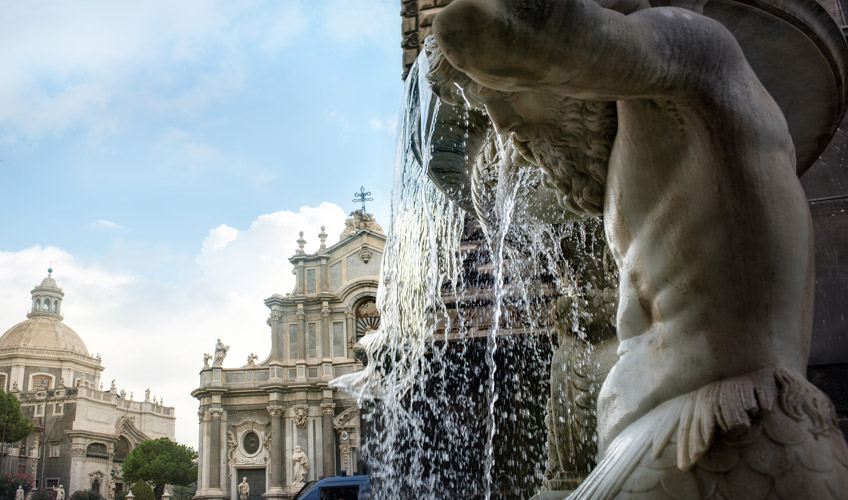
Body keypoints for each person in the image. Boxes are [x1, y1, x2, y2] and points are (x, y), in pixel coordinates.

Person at [429, 0, 848, 495]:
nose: (504, 128)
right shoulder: (647, 161)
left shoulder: (701, 63)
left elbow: (476, 26)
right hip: (690, 439)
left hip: (720, 427)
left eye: (509, 95)